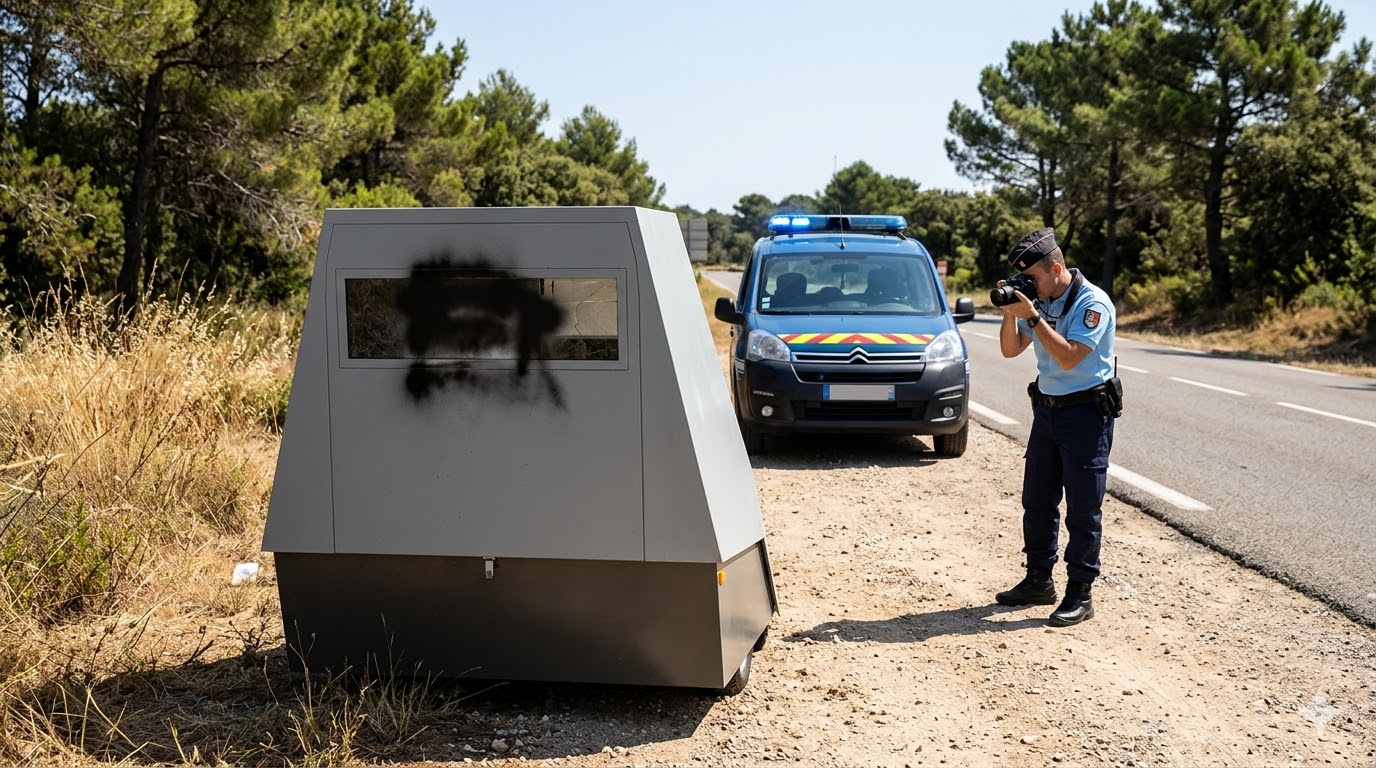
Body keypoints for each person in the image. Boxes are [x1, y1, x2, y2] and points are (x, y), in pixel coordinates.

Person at [994, 227, 1120, 627]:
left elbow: (1069, 357)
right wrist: (1011, 311)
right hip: (1047, 411)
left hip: (1085, 414)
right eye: (1023, 278)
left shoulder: (1091, 303)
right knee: (1037, 500)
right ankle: (1038, 580)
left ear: (1055, 268)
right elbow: (1010, 350)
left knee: (1082, 509)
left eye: (1032, 277)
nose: (1028, 285)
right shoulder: (1040, 299)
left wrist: (1032, 316)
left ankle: (1080, 592)